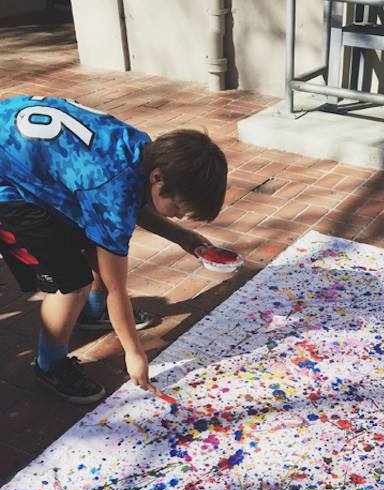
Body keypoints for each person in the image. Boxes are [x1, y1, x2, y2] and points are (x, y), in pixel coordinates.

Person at [0, 94, 227, 403]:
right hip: (8, 183)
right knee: (70, 285)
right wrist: (133, 352)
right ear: (158, 178)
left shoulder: (143, 150)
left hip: (24, 148)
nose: (179, 216)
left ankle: (91, 312)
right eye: (178, 208)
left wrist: (183, 238)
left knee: (97, 234)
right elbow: (116, 288)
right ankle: (49, 364)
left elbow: (124, 208)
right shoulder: (110, 186)